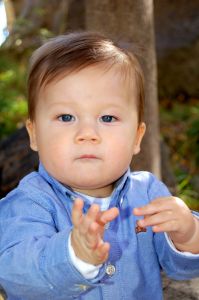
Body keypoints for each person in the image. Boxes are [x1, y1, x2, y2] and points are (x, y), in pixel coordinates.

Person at [0, 31, 199, 300]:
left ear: (137, 138)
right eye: (66, 116)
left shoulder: (148, 194)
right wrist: (74, 254)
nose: (87, 133)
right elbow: (16, 275)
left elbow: (180, 268)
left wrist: (188, 234)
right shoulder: (30, 202)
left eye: (107, 117)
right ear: (34, 134)